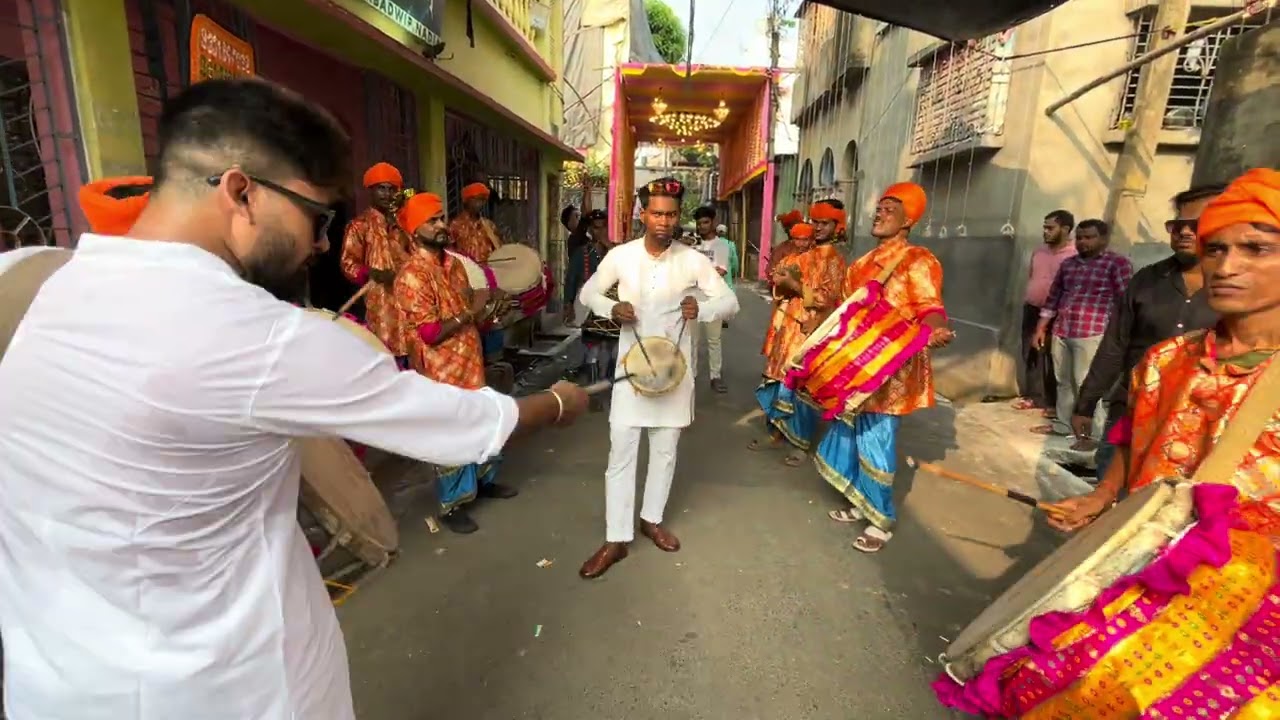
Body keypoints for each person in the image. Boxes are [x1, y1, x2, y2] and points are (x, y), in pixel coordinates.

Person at [0, 78, 589, 720]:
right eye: (316, 217)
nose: (320, 244)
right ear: (240, 190)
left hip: (56, 686)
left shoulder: (24, 279)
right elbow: (453, 424)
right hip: (235, 688)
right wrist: (557, 404)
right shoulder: (264, 337)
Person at [1047, 168, 1280, 534]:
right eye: (1216, 248)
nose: (1226, 267)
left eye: (1256, 248)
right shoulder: (1165, 358)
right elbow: (1132, 433)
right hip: (1145, 553)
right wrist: (1103, 493)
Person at [576, 177, 739, 579]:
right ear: (643, 214)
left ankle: (651, 519)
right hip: (632, 372)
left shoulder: (693, 260)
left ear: (676, 216)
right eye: (656, 213)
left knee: (665, 451)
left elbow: (730, 302)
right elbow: (588, 294)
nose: (664, 221)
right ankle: (616, 538)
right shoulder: (622, 256)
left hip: (674, 373)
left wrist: (699, 309)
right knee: (621, 454)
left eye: (670, 214)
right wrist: (611, 309)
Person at [820, 183, 954, 553]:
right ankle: (859, 502)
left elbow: (929, 305)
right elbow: (845, 314)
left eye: (890, 208)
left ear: (909, 219)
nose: (879, 213)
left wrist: (934, 329)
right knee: (852, 432)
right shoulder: (861, 265)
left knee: (877, 438)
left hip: (890, 367)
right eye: (878, 208)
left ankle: (881, 520)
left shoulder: (918, 260)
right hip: (855, 365)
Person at [1070, 185, 1223, 481]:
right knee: (1108, 499)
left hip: (1194, 425)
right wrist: (1085, 404)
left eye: (1196, 225)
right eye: (1177, 225)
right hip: (1129, 412)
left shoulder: (1239, 292)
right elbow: (1115, 344)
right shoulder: (1147, 280)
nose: (1184, 232)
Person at [394, 191, 521, 534]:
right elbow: (431, 332)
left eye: (441, 218)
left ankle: (483, 482)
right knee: (451, 432)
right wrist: (472, 312)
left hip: (469, 359)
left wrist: (492, 313)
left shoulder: (454, 264)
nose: (441, 225)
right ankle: (453, 505)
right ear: (413, 230)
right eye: (431, 221)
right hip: (439, 367)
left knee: (480, 419)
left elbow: (468, 311)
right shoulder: (411, 275)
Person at [1030, 219, 1132, 446]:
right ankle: (1063, 425)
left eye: (1090, 237)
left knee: (1087, 384)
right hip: (1063, 330)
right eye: (1081, 237)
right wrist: (1041, 328)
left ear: (1103, 239)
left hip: (1092, 334)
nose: (1083, 242)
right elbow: (1054, 297)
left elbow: (1124, 302)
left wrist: (1117, 337)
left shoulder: (1117, 264)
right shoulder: (1069, 264)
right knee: (1062, 381)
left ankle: (1092, 436)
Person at [750, 221, 844, 466]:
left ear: (837, 227)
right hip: (788, 326)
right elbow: (781, 284)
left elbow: (829, 297)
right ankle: (776, 433)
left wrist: (795, 287)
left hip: (811, 327)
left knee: (801, 387)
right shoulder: (800, 256)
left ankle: (800, 444)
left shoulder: (834, 260)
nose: (820, 228)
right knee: (777, 379)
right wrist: (780, 281)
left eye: (826, 224)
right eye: (817, 223)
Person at [339, 162, 411, 364]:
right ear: (371, 191)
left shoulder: (403, 226)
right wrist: (372, 273)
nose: (387, 195)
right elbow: (348, 263)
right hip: (379, 306)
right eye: (381, 189)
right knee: (384, 356)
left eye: (391, 189)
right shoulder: (359, 226)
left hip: (409, 301)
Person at [1012, 210, 1076, 417]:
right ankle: (1034, 397)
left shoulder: (1074, 255)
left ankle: (1052, 403)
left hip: (1057, 313)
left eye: (1050, 227)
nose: (1045, 231)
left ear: (1065, 229)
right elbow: (1034, 276)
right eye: (1045, 227)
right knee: (1030, 352)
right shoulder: (1039, 252)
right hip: (1032, 308)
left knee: (1052, 355)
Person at [448, 181, 506, 360]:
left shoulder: (489, 225)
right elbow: (449, 256)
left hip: (489, 277)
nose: (480, 204)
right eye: (476, 200)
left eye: (482, 200)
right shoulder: (455, 226)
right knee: (472, 320)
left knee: (493, 318)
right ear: (466, 201)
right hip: (467, 280)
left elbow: (498, 251)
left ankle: (494, 363)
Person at [691, 205, 734, 393]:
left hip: (714, 299)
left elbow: (721, 270)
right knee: (691, 340)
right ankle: (690, 376)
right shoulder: (693, 245)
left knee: (714, 340)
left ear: (714, 222)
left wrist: (698, 275)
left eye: (706, 222)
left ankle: (715, 377)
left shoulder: (721, 245)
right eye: (699, 223)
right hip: (692, 299)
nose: (702, 226)